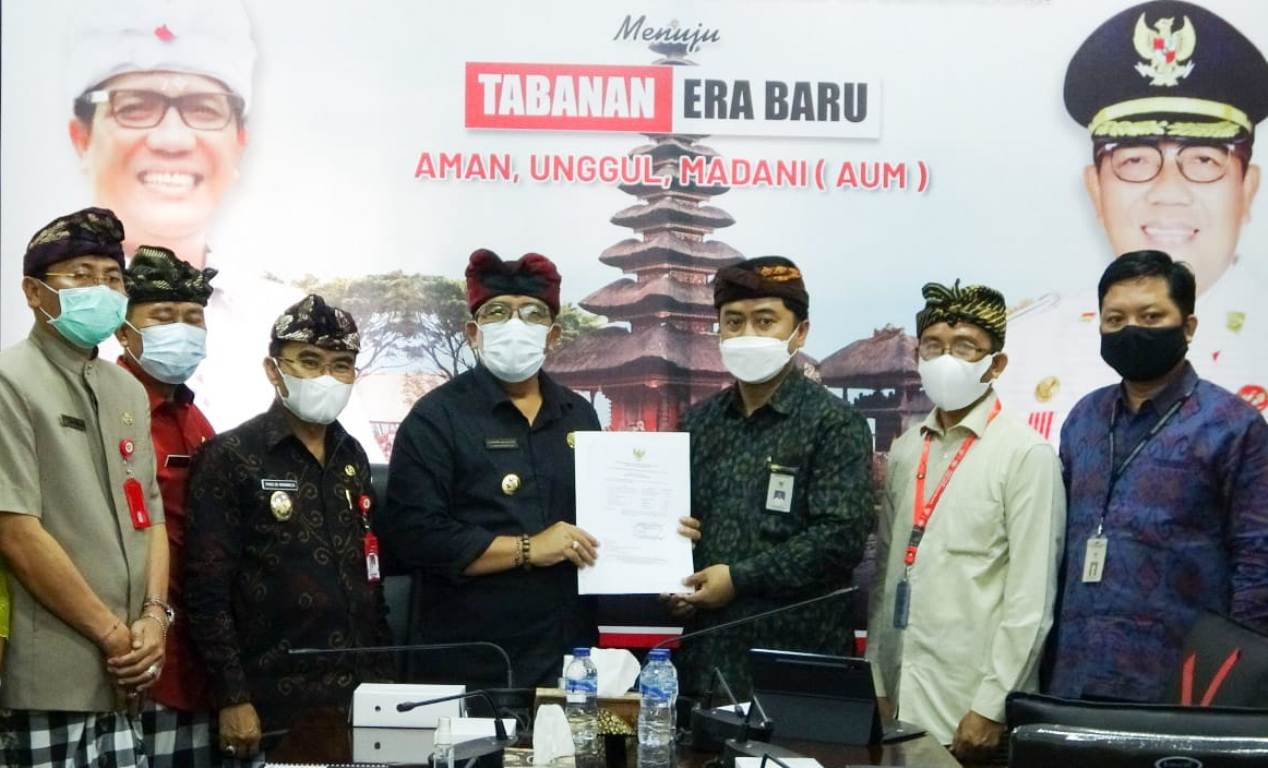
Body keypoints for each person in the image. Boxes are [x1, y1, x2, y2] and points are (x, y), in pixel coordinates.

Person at [62, 0, 384, 459]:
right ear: (81, 137)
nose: (172, 140)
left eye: (204, 109)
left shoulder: (283, 315)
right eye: (134, 107)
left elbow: (350, 466)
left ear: (239, 142)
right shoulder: (56, 315)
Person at [381, 250, 700, 688]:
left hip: (568, 654)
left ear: (553, 336)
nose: (515, 325)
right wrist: (529, 548)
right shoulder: (435, 418)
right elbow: (416, 537)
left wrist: (662, 539)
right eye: (498, 312)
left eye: (532, 314)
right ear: (473, 333)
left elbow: (605, 523)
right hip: (473, 658)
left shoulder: (578, 415)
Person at [999, 0, 1268, 441]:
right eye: (1135, 160)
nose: (1169, 191)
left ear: (1247, 188)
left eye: (1204, 160)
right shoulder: (1027, 349)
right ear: (1096, 189)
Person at [1047, 250, 1268, 702]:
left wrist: (1233, 680)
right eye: (1115, 319)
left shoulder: (1234, 424)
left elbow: (1258, 560)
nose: (1131, 330)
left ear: (1188, 326)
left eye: (1151, 316)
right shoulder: (1084, 418)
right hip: (1073, 677)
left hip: (1179, 685)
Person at [185, 294, 392, 762]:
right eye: (309, 361)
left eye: (341, 365)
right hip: (271, 698)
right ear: (273, 369)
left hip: (360, 696)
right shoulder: (231, 456)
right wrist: (233, 697)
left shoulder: (353, 456)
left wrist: (386, 681)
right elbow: (206, 592)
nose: (325, 377)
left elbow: (371, 574)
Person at [866, 281, 1065, 759]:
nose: (945, 359)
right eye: (933, 346)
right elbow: (885, 578)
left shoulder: (1025, 455)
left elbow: (1031, 600)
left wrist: (992, 707)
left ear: (996, 364)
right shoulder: (906, 449)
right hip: (899, 701)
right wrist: (878, 680)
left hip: (969, 708)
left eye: (964, 347)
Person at [0, 208, 169, 767]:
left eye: (112, 277)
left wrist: (153, 618)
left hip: (128, 675)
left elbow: (152, 516)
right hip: (50, 676)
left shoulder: (126, 388)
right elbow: (16, 531)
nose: (102, 289)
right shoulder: (10, 380)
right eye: (81, 275)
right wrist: (113, 636)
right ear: (34, 291)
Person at [670, 256, 874, 696]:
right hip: (705, 664)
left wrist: (739, 579)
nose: (747, 335)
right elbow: (676, 524)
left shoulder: (834, 424)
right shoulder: (697, 424)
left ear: (800, 332)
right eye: (734, 322)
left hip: (796, 666)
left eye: (765, 321)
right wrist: (672, 582)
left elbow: (839, 539)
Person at [115, 246, 222, 767]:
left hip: (196, 656)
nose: (181, 329)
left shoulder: (196, 420)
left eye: (193, 318)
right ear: (123, 331)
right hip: (128, 652)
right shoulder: (107, 409)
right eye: (162, 316)